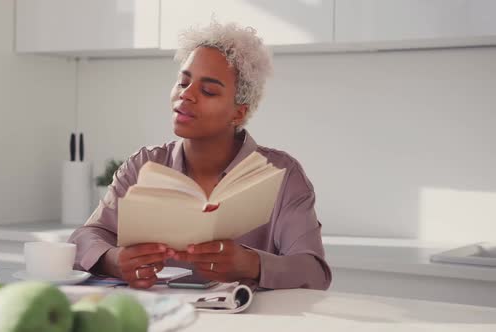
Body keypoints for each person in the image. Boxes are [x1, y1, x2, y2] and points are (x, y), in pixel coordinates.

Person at [68, 21, 332, 290]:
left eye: (208, 90)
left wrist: (251, 264)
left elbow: (314, 272)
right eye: (183, 81)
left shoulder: (282, 175)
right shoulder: (144, 166)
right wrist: (113, 259)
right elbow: (85, 236)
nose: (187, 94)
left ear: (238, 113)